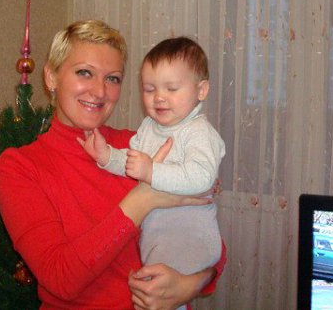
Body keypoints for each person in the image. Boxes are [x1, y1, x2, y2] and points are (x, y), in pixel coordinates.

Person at [0, 20, 225, 310]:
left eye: (112, 79)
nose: (100, 91)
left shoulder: (139, 145)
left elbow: (205, 235)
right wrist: (143, 199)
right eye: (84, 73)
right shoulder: (19, 167)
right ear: (51, 77)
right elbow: (61, 279)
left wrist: (191, 283)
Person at [79, 36, 224, 288]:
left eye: (172, 88)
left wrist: (152, 172)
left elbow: (202, 178)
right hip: (159, 241)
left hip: (189, 240)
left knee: (160, 295)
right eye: (149, 89)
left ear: (201, 90)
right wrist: (108, 156)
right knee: (155, 295)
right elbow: (134, 162)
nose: (159, 97)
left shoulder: (198, 131)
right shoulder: (149, 127)